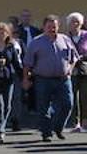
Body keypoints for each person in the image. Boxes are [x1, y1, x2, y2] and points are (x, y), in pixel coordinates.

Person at [22, 13, 79, 142]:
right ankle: (46, 132)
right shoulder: (36, 42)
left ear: (58, 27)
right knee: (43, 106)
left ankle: (58, 128)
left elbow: (74, 57)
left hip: (63, 79)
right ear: (43, 27)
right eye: (49, 26)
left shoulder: (65, 39)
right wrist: (25, 78)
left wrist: (70, 68)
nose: (52, 29)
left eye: (54, 26)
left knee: (68, 104)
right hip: (43, 79)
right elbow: (27, 63)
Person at [0, 21, 23, 144]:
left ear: (7, 34)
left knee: (8, 106)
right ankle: (0, 131)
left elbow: (16, 64)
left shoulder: (10, 47)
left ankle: (1, 126)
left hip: (8, 80)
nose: (0, 35)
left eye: (3, 33)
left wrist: (23, 77)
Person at [65, 12, 87, 132]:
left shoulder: (86, 35)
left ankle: (85, 123)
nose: (75, 24)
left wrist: (83, 57)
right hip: (71, 70)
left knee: (85, 96)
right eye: (72, 21)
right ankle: (75, 123)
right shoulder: (65, 37)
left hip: (85, 70)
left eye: (77, 21)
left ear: (81, 23)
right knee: (72, 97)